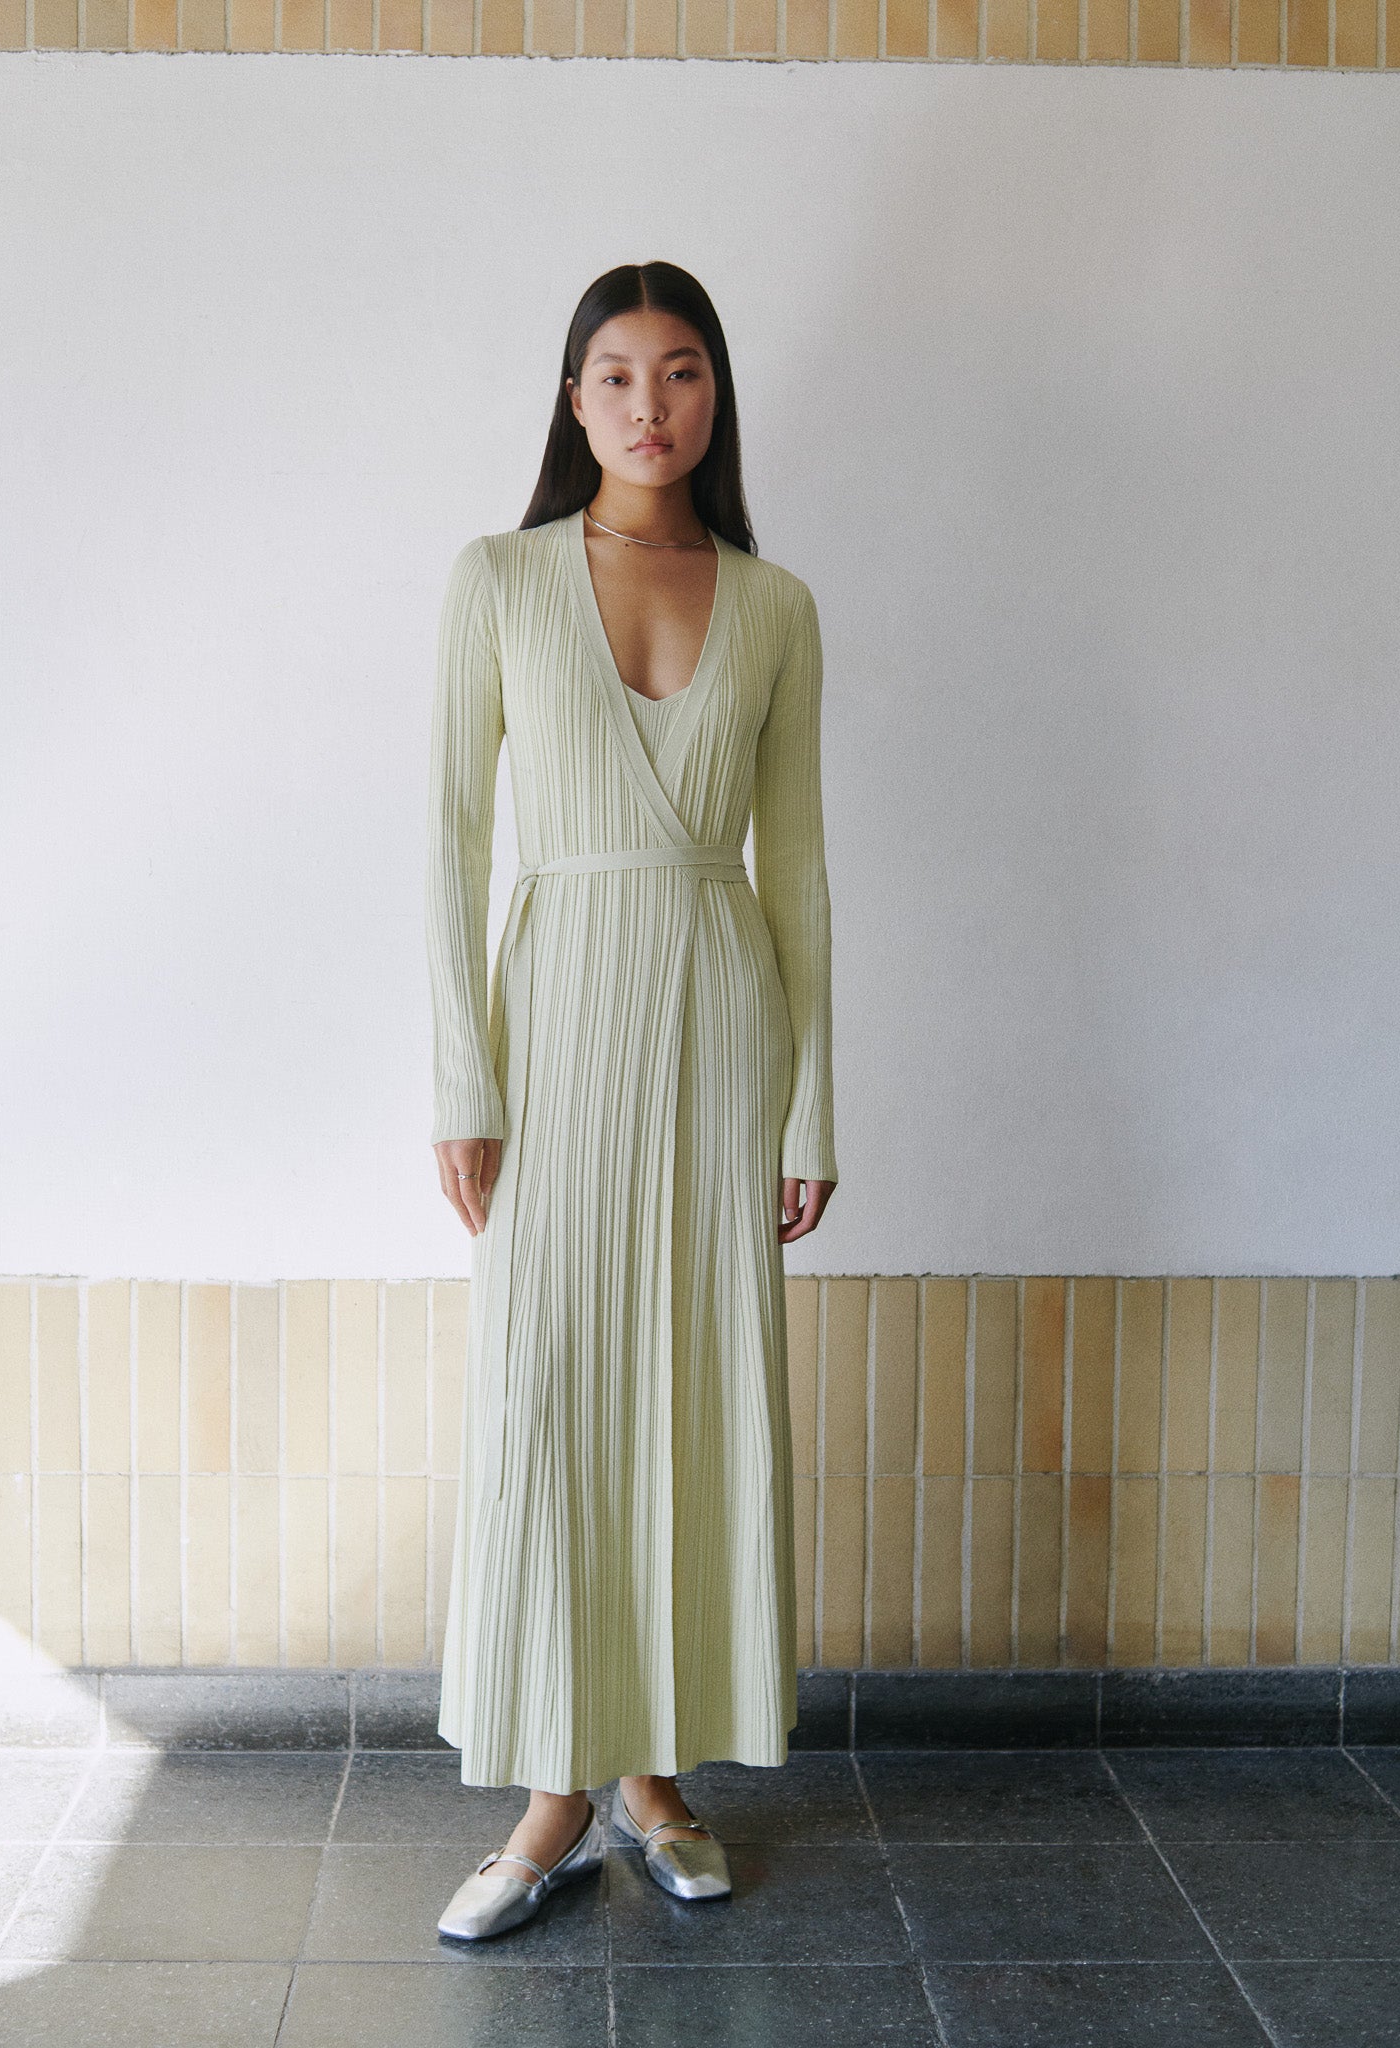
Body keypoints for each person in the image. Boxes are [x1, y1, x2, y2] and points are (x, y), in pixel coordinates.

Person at [424, 260, 838, 1940]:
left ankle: (655, 1778)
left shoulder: (779, 602)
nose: (648, 403)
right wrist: (463, 1076)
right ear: (571, 399)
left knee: (690, 1395)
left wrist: (810, 1113)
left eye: (679, 372)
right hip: (557, 1024)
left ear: (712, 396)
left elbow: (796, 871)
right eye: (615, 374)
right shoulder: (498, 582)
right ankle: (547, 1796)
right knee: (550, 1395)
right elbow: (450, 841)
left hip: (720, 1025)